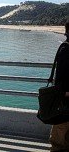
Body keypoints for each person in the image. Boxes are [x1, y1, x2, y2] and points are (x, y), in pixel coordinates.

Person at [49, 22, 69, 151]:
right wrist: (66, 92)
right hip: (65, 96)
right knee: (61, 127)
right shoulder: (66, 48)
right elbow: (61, 74)